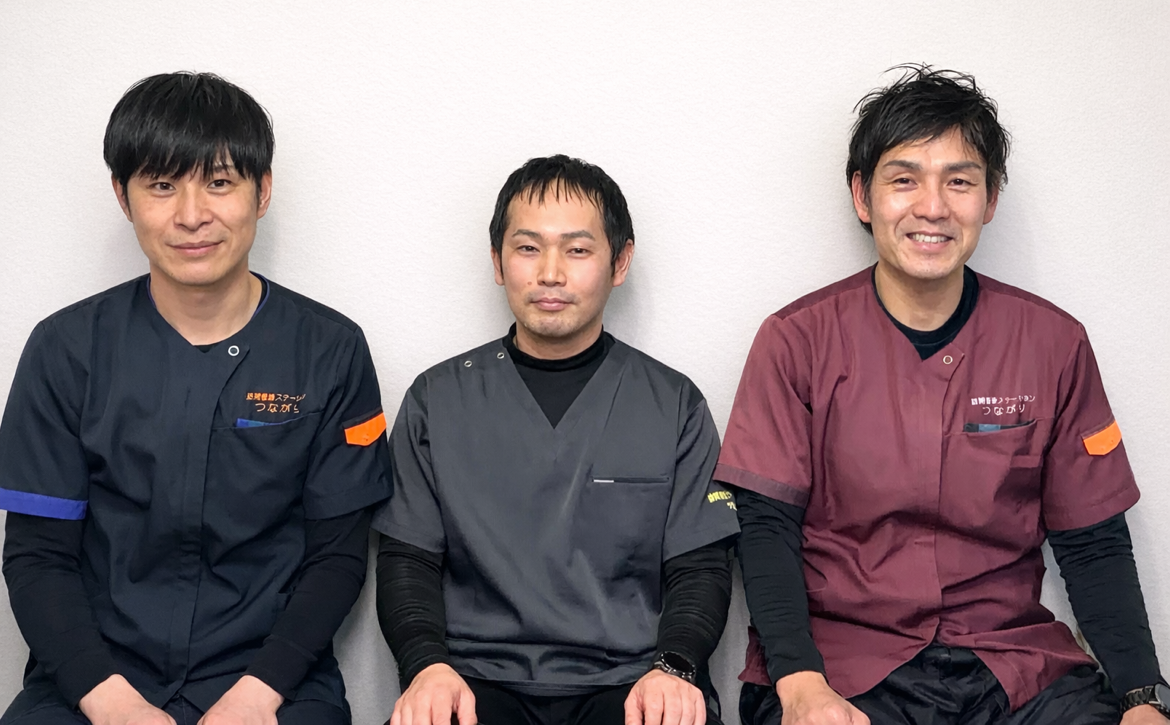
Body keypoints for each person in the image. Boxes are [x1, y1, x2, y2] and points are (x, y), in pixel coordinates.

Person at [715, 66, 1167, 725]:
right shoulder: (796, 341)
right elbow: (765, 528)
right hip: (842, 666)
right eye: (904, 180)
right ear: (863, 196)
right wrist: (801, 683)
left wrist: (1142, 697)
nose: (933, 207)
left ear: (990, 200)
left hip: (1012, 665)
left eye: (959, 181)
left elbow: (1092, 539)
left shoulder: (1053, 343)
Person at [0, 72, 392, 725]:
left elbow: (338, 556)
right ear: (123, 197)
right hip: (94, 682)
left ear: (262, 191)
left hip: (273, 681)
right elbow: (37, 557)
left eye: (218, 182)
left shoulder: (331, 349)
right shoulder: (65, 349)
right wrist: (112, 703)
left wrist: (258, 694)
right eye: (161, 185)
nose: (190, 215)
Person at [373, 155, 740, 725]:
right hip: (474, 679)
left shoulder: (672, 403)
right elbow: (407, 559)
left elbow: (701, 566)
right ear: (497, 261)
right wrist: (426, 666)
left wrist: (674, 667)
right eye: (527, 247)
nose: (550, 273)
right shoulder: (437, 399)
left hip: (632, 680)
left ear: (620, 262)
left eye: (577, 250)